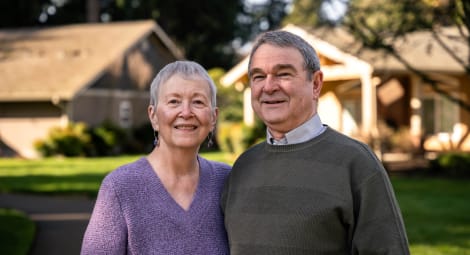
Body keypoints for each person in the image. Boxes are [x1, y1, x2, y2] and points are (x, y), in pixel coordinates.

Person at [221, 30, 410, 254]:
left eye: (283, 74)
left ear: (316, 84)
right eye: (258, 76)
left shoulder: (356, 163)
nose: (268, 87)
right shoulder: (243, 166)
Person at [81, 60, 230, 255]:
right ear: (153, 116)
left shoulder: (228, 181)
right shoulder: (120, 187)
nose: (186, 112)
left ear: (213, 118)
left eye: (198, 102)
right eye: (174, 101)